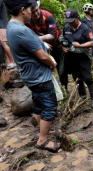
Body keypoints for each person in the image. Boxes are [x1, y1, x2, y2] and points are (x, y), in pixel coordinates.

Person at [4, 0, 61, 151]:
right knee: (50, 106)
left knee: (38, 102)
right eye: (30, 9)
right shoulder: (21, 30)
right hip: (39, 76)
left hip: (30, 76)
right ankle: (42, 140)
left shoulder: (11, 26)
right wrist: (53, 64)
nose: (32, 12)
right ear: (23, 10)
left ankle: (44, 130)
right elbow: (42, 57)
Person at [26, 3, 69, 92]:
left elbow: (52, 35)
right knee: (45, 66)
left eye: (37, 10)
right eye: (33, 12)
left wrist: (37, 39)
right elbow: (27, 35)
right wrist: (41, 42)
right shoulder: (27, 21)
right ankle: (50, 88)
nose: (36, 14)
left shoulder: (48, 16)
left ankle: (65, 87)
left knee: (61, 67)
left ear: (39, 8)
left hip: (57, 44)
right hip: (42, 46)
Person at [62, 8, 93, 109]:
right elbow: (63, 39)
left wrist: (80, 45)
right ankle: (82, 96)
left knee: (87, 77)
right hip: (71, 57)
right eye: (68, 21)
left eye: (72, 21)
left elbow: (92, 42)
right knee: (77, 77)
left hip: (83, 57)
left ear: (78, 18)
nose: (70, 23)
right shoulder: (66, 28)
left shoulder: (85, 28)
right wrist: (63, 47)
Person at [0, 0, 16, 69]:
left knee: (3, 44)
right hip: (2, 25)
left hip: (2, 26)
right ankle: (7, 61)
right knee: (3, 44)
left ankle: (13, 61)